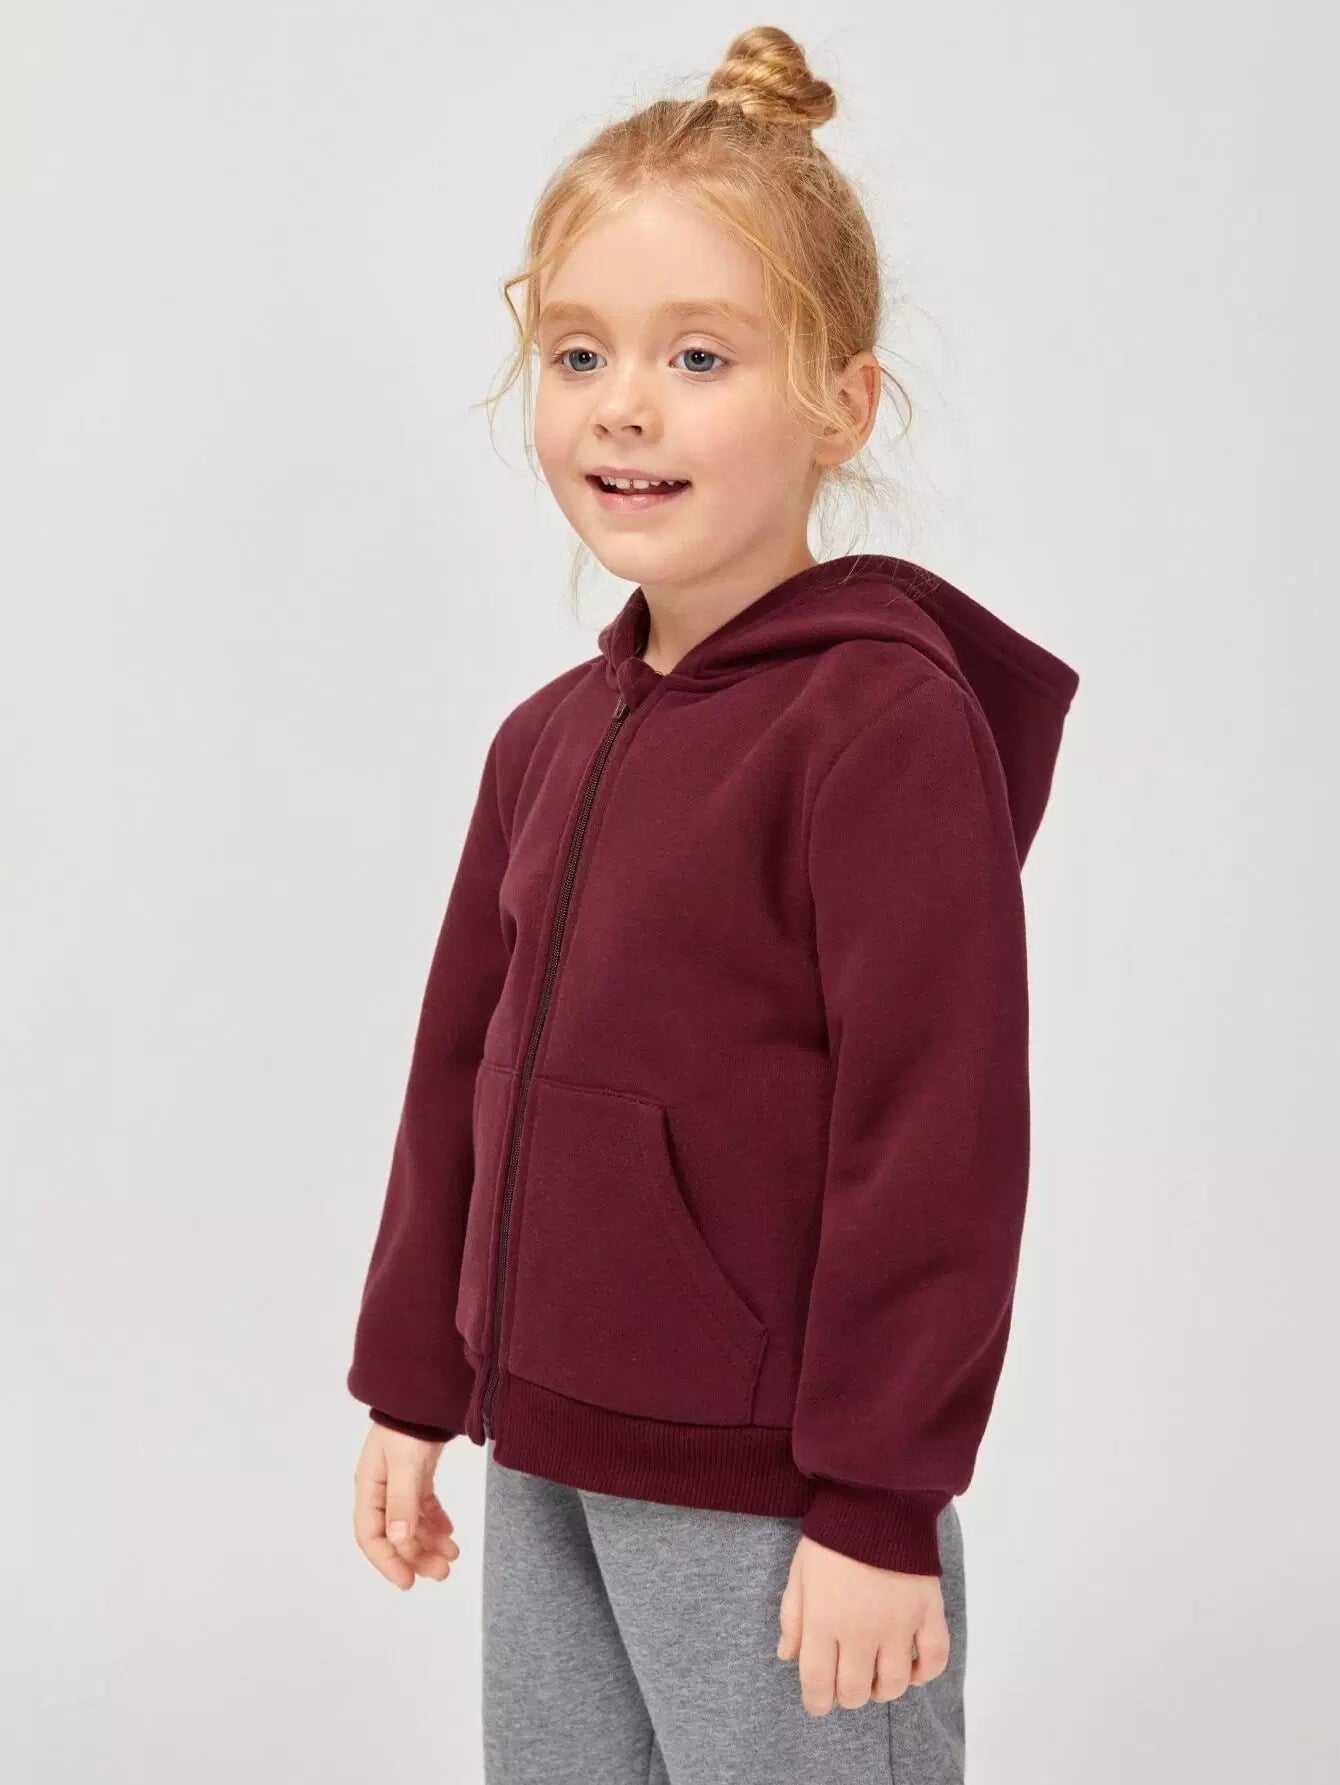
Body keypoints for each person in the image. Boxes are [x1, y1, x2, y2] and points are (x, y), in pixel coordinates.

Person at [347, 24, 1080, 1783]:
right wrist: (411, 1381)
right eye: (579, 351)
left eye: (698, 355)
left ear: (842, 405)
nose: (625, 403)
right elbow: (458, 1072)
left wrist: (880, 1498)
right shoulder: (544, 738)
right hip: (547, 1450)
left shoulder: (879, 725)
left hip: (778, 1497)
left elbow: (936, 1131)